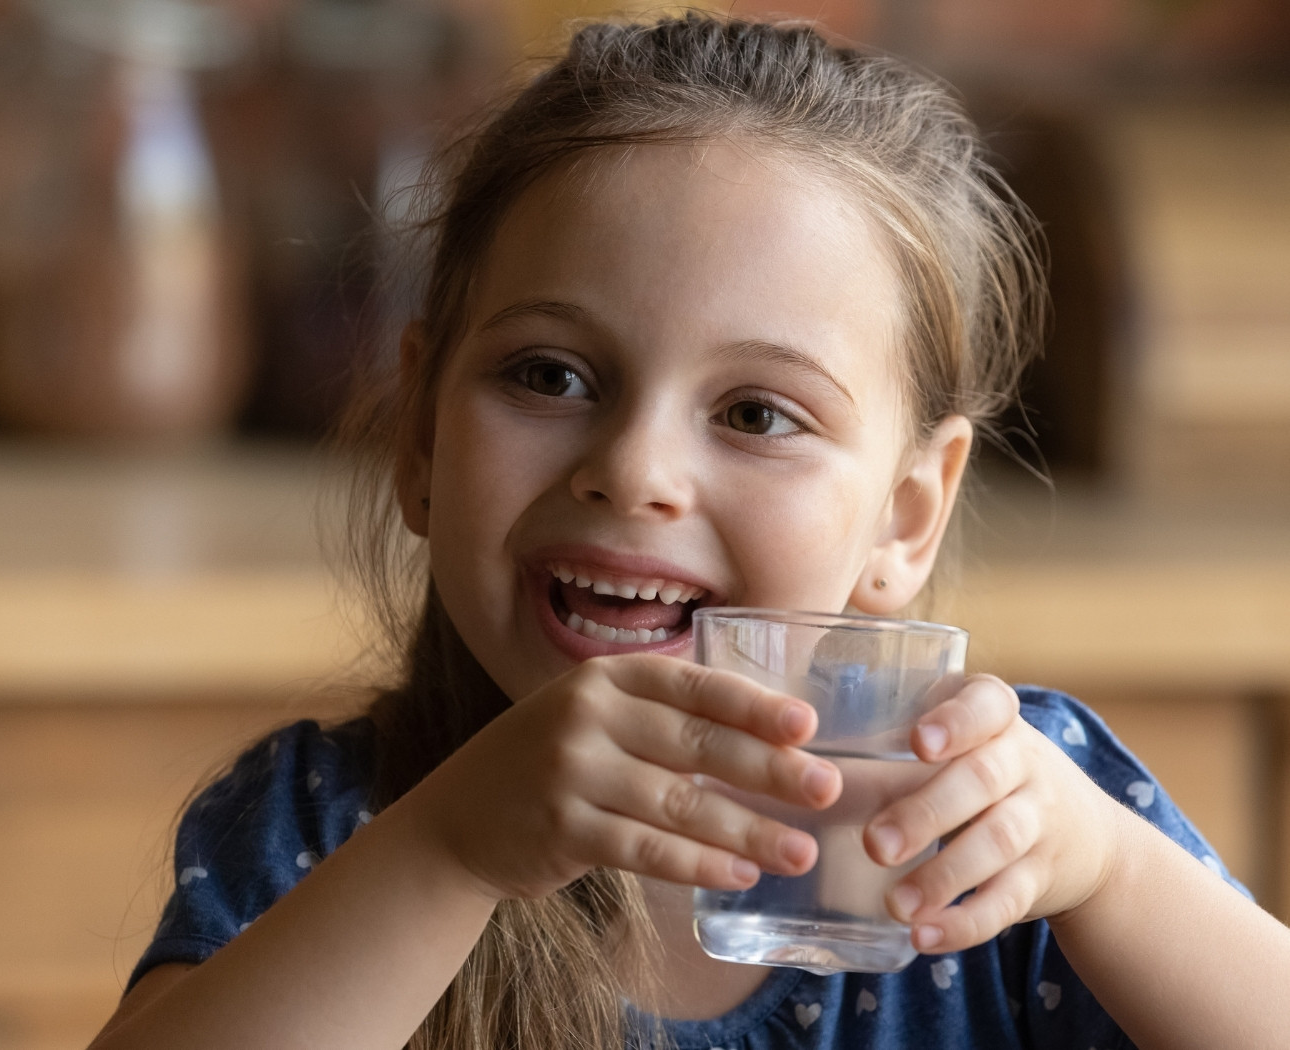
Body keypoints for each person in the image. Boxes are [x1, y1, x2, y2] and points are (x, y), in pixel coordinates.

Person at [87, 13, 1290, 1050]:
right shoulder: (329, 826)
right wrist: (449, 852)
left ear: (907, 512)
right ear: (420, 442)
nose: (633, 472)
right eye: (551, 377)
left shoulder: (1014, 826)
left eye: (758, 413)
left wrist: (1111, 872)